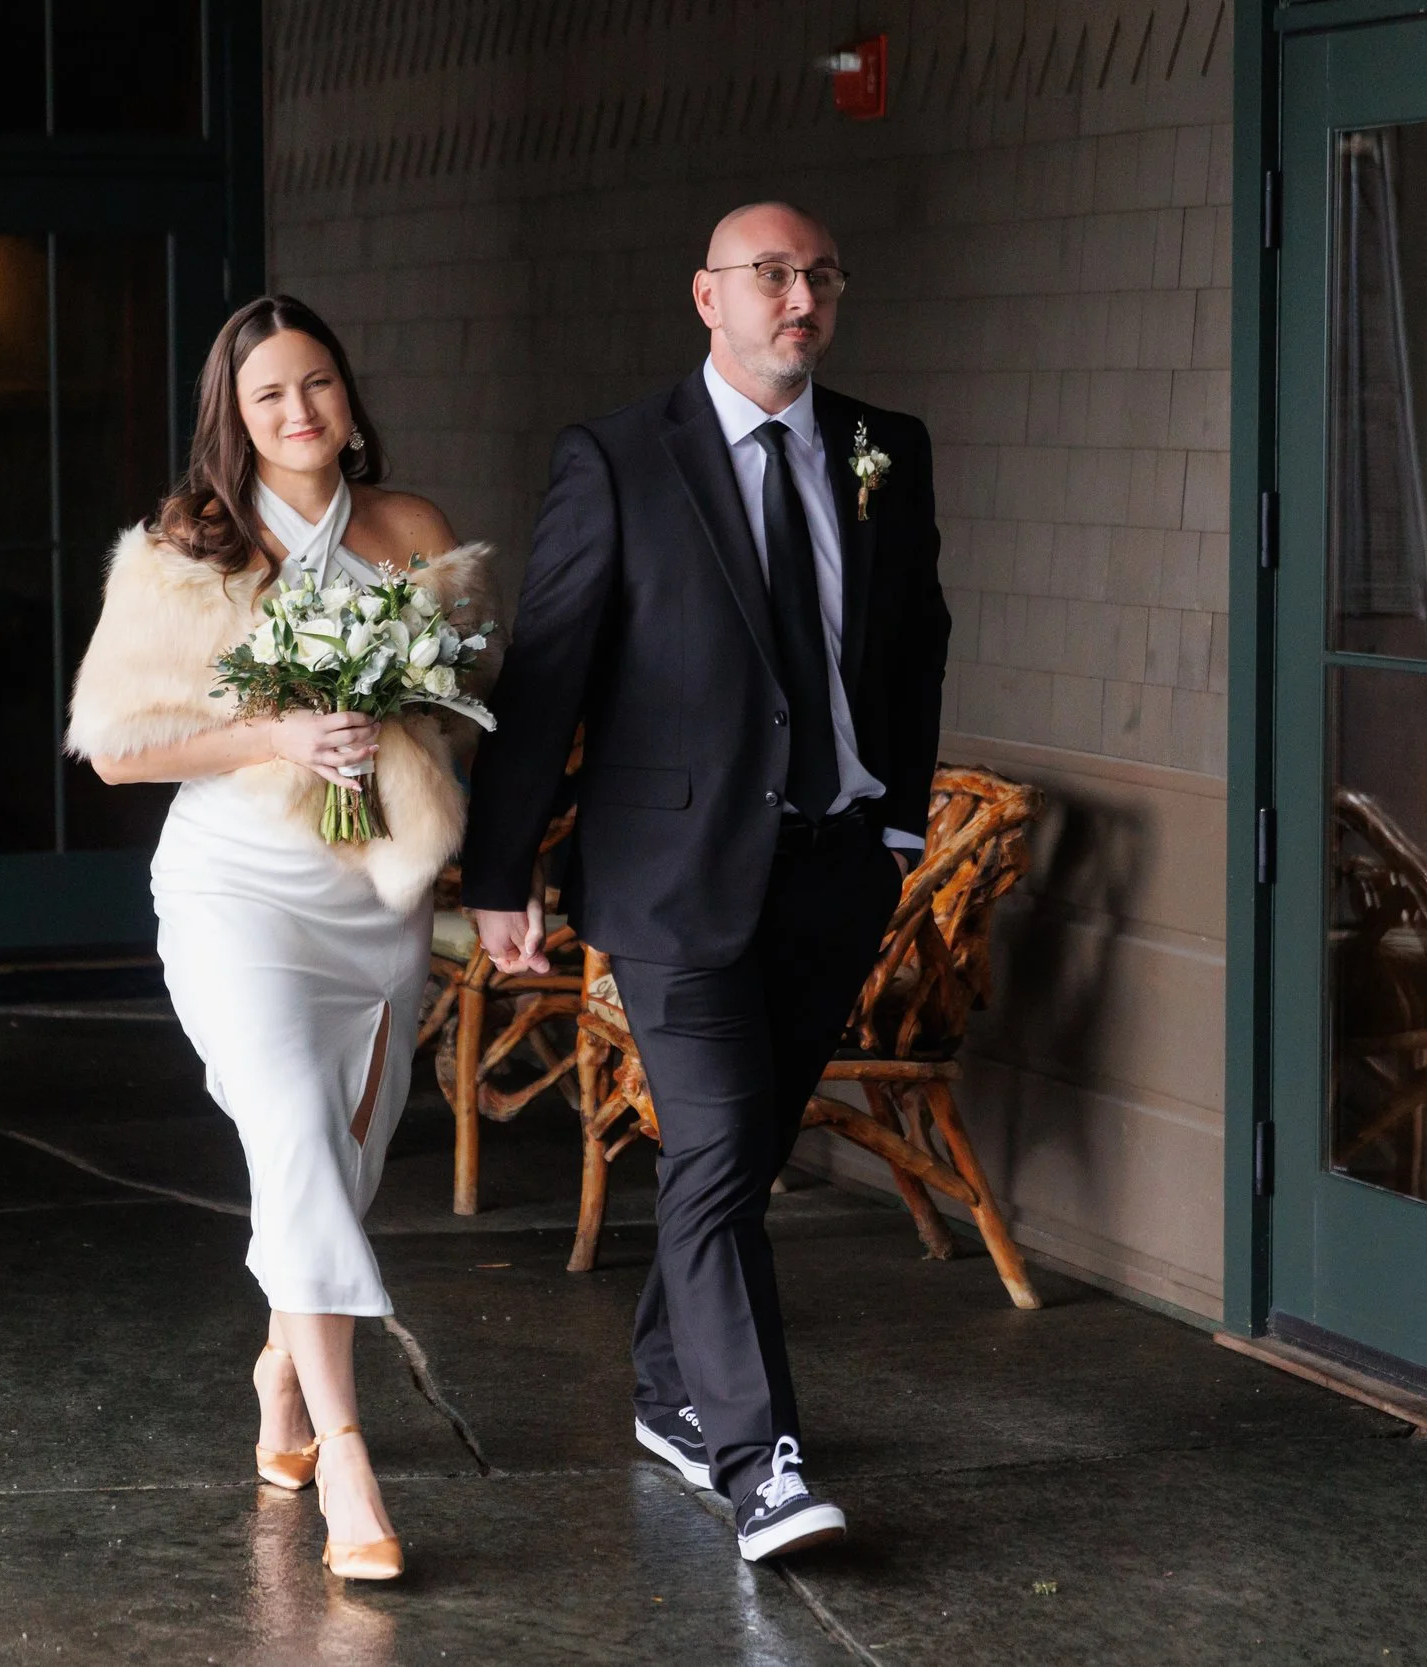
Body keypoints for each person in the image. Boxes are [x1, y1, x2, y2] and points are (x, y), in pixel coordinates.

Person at [459, 202, 950, 1562]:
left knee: (733, 1156)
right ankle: (761, 1464)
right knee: (726, 1146)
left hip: (836, 872)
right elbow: (548, 668)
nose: (802, 299)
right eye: (772, 274)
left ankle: (673, 1388)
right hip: (671, 877)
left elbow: (917, 639)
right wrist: (501, 868)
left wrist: (899, 828)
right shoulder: (618, 459)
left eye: (821, 277)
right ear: (707, 295)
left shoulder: (886, 449)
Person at [64, 294, 495, 1582]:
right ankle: (350, 1454)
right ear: (234, 419)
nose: (298, 411)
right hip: (238, 893)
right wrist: (275, 733)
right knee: (295, 1132)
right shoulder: (185, 548)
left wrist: (397, 722)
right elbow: (118, 752)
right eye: (268, 395)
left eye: (317, 384)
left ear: (347, 397)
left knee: (345, 1165)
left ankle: (281, 1368)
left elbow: (465, 703)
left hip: (374, 902)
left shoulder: (413, 531)